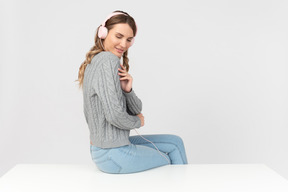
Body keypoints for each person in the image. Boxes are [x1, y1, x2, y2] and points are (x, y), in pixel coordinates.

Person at [76, 10, 188, 174]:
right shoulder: (108, 60)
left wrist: (127, 90)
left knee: (175, 142)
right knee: (170, 159)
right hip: (113, 153)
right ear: (104, 33)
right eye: (119, 36)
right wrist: (138, 122)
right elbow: (115, 116)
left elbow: (137, 109)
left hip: (108, 150)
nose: (124, 44)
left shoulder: (97, 61)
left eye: (129, 40)